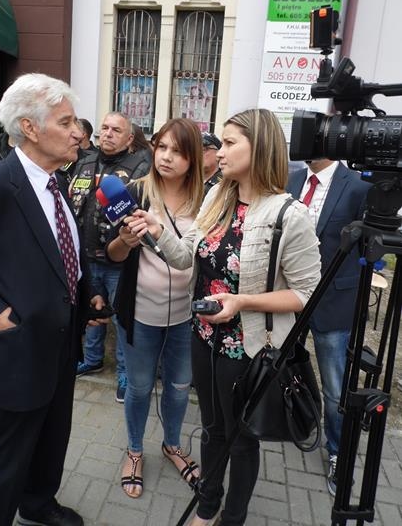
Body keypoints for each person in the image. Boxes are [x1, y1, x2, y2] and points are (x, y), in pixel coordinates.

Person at [124, 109, 321, 525]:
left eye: (230, 143)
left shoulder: (289, 214)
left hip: (247, 347)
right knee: (212, 428)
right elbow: (185, 258)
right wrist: (158, 231)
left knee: (241, 438)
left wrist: (242, 302)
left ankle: (233, 516)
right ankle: (208, 504)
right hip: (203, 337)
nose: (219, 151)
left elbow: (306, 294)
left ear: (260, 147)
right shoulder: (217, 197)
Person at [0, 73, 105, 526]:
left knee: (52, 437)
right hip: (16, 349)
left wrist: (89, 295)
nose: (78, 133)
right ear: (30, 128)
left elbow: (61, 253)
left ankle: (37, 504)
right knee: (6, 455)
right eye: (66, 122)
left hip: (61, 344)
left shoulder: (57, 182)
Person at [106, 118, 204, 499]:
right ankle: (134, 451)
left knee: (179, 387)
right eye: (161, 147)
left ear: (192, 158)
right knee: (139, 387)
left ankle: (173, 445)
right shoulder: (134, 192)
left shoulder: (208, 200)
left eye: (177, 151)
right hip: (139, 314)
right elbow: (112, 254)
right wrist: (126, 242)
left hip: (187, 317)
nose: (165, 157)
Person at [287, 159, 370, 496]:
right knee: (286, 367)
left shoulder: (357, 186)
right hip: (290, 297)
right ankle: (294, 421)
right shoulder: (292, 179)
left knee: (335, 388)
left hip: (334, 302)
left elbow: (370, 249)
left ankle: (338, 452)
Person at [69, 112, 151, 402]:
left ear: (129, 139)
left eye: (116, 130)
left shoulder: (141, 167)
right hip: (86, 257)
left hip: (119, 260)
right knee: (93, 312)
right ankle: (92, 359)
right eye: (104, 128)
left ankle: (125, 373)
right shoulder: (84, 162)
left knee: (121, 320)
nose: (108, 133)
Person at [201, 131, 222, 195]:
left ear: (218, 153)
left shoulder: (223, 185)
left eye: (204, 149)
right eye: (196, 150)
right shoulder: (189, 180)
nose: (199, 153)